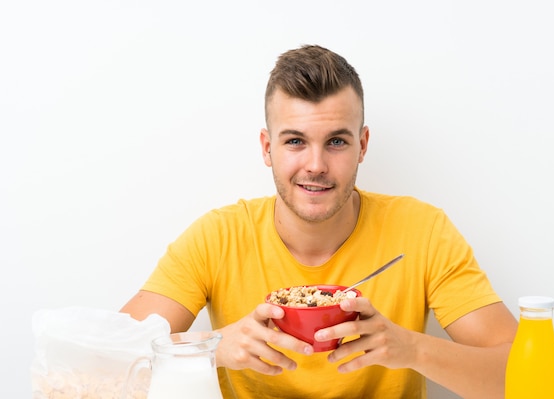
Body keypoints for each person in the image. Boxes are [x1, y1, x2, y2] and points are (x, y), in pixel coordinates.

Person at [121, 44, 518, 399]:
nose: (316, 165)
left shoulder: (422, 231)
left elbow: (525, 379)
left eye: (336, 142)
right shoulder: (217, 237)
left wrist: (411, 349)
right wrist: (212, 348)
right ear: (267, 148)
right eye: (295, 141)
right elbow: (106, 358)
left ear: (362, 146)